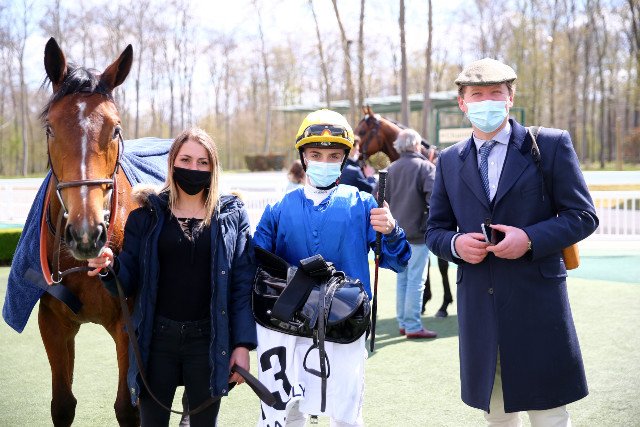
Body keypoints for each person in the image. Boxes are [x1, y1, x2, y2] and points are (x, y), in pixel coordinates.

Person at [425, 58, 598, 426]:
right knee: (498, 415)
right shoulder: (449, 160)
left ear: (510, 98)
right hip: (479, 307)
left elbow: (583, 215)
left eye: (496, 93)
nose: (487, 101)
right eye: (477, 95)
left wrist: (530, 238)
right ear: (462, 103)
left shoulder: (549, 145)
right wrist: (456, 245)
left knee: (550, 414)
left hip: (537, 303)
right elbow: (435, 230)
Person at [87, 128, 257, 426]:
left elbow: (242, 286)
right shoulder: (145, 216)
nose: (194, 169)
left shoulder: (232, 217)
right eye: (186, 160)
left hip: (208, 341)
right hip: (156, 341)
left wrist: (242, 345)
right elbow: (127, 283)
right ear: (172, 163)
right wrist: (108, 267)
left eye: (203, 162)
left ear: (213, 167)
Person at [253, 109, 410, 426]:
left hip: (345, 323)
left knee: (346, 416)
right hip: (287, 325)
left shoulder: (363, 203)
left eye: (334, 155)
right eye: (316, 154)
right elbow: (255, 266)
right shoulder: (277, 208)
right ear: (303, 156)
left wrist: (392, 230)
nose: (324, 161)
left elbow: (397, 260)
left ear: (344, 158)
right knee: (287, 413)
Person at [384, 128, 437, 339]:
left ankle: (403, 323)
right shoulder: (425, 168)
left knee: (403, 280)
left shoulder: (390, 169)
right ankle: (413, 325)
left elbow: (379, 199)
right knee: (416, 281)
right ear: (416, 145)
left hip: (395, 236)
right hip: (417, 234)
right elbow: (434, 201)